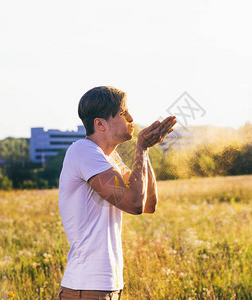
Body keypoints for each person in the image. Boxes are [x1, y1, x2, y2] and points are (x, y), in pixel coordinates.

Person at [57, 86, 176, 300]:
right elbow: (133, 204)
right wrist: (140, 149)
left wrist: (145, 152)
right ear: (100, 124)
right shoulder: (83, 151)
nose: (131, 117)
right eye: (123, 113)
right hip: (86, 288)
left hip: (105, 286)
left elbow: (148, 204)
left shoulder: (110, 158)